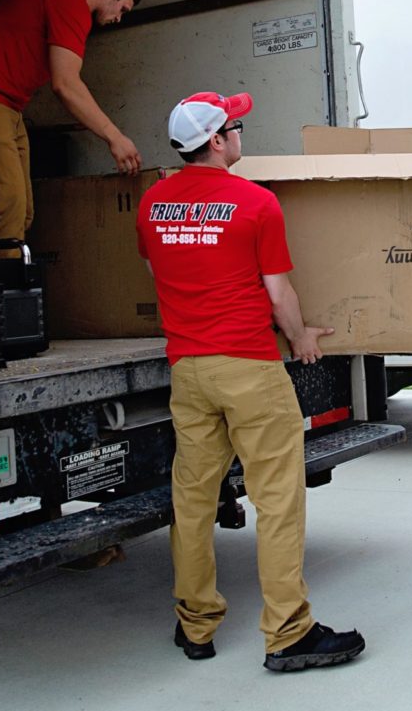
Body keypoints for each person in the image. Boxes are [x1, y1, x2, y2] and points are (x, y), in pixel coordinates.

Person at [136, 91, 366, 672]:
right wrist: (302, 337)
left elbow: (158, 270)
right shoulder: (255, 203)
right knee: (278, 499)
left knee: (191, 500)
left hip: (188, 370)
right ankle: (288, 632)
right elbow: (279, 292)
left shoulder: (152, 204)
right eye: (236, 126)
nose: (242, 134)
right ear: (217, 140)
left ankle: (195, 626)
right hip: (249, 367)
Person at [0, 0, 143, 249]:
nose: (119, 18)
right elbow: (66, 85)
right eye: (123, 9)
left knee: (23, 212)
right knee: (8, 204)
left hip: (4, 105)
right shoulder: (71, 5)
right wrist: (115, 137)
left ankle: (8, 279)